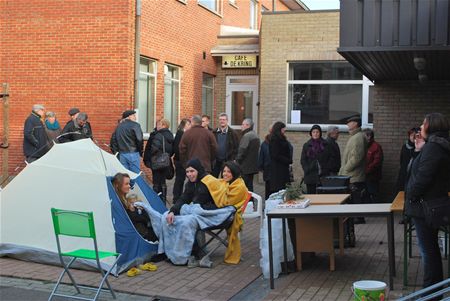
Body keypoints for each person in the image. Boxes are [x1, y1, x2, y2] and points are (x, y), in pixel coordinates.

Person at [405, 113, 450, 290]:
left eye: (423, 124)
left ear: (431, 126)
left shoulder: (434, 147)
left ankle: (430, 291)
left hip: (424, 206)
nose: (421, 127)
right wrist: (418, 150)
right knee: (430, 250)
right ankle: (433, 289)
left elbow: (423, 177)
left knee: (428, 251)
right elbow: (419, 170)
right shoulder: (436, 146)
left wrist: (412, 196)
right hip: (431, 204)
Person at [339, 116, 368, 245]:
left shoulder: (358, 137)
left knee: (356, 197)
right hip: (351, 174)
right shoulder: (354, 136)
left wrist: (345, 170)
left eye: (349, 122)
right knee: (354, 197)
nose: (348, 124)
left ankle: (358, 217)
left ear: (355, 123)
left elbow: (356, 158)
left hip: (354, 175)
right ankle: (356, 216)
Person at [112, 173, 157, 242]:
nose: (129, 186)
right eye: (126, 184)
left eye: (129, 183)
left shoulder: (125, 200)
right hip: (136, 234)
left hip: (141, 230)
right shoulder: (118, 202)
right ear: (118, 185)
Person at [143, 118, 174, 204]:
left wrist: (150, 157)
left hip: (157, 162)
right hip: (166, 162)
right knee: (163, 181)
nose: (157, 126)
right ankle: (163, 200)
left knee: (156, 182)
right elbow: (172, 149)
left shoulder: (158, 135)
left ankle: (156, 200)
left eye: (159, 124)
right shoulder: (170, 135)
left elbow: (154, 149)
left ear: (163, 125)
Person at [110, 110, 144, 174]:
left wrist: (116, 152)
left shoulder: (119, 126)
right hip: (133, 153)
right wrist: (141, 151)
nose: (135, 117)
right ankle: (131, 184)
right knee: (135, 175)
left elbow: (113, 141)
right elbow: (139, 139)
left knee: (125, 175)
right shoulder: (135, 125)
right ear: (128, 116)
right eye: (133, 115)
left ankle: (128, 184)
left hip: (122, 154)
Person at [301, 124, 331, 194]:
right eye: (313, 132)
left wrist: (327, 168)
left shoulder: (326, 144)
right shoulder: (307, 145)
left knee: (322, 196)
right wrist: (306, 169)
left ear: (320, 133)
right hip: (310, 174)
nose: (315, 134)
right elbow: (303, 159)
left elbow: (330, 158)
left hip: (323, 174)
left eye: (317, 132)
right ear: (311, 133)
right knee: (311, 196)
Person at [236, 118, 260, 193]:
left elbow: (242, 150)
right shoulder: (255, 135)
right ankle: (251, 202)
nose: (241, 126)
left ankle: (246, 202)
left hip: (245, 166)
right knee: (250, 186)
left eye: (243, 124)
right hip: (252, 166)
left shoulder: (247, 136)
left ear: (248, 125)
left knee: (244, 186)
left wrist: (237, 161)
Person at [269, 121, 293, 194]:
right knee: (280, 188)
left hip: (282, 167)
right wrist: (287, 160)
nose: (284, 130)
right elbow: (275, 154)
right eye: (283, 129)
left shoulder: (281, 139)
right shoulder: (275, 140)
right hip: (278, 169)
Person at [212, 113, 239, 177]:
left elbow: (236, 147)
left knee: (225, 180)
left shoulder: (233, 133)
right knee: (213, 179)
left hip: (227, 161)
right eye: (220, 119)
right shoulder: (213, 132)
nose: (222, 121)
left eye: (224, 119)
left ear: (227, 121)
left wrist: (233, 159)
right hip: (216, 161)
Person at [172, 118, 192, 202]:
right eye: (188, 124)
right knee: (180, 179)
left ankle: (179, 196)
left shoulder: (185, 133)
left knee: (181, 179)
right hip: (180, 161)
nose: (190, 126)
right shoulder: (180, 134)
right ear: (184, 125)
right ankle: (176, 197)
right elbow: (176, 148)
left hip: (182, 160)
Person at [363, 128, 383, 203]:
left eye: (367, 135)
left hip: (372, 176)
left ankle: (376, 212)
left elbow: (376, 162)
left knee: (374, 194)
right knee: (366, 194)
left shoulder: (376, 147)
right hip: (365, 175)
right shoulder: (364, 146)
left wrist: (366, 170)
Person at [396, 127, 418, 192]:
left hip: (415, 175)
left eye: (415, 135)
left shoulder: (420, 147)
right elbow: (402, 160)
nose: (413, 137)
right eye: (411, 135)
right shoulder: (405, 147)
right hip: (404, 174)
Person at [258, 129, 272, 199]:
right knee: (270, 190)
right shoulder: (265, 143)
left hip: (269, 169)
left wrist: (261, 167)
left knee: (269, 190)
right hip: (269, 170)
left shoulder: (265, 143)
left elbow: (261, 157)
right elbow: (261, 156)